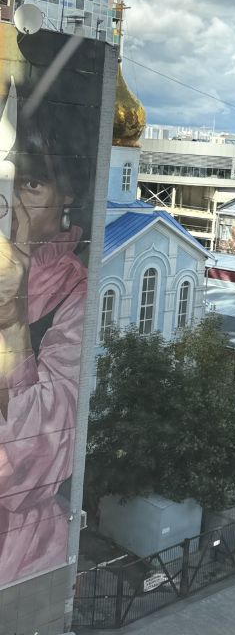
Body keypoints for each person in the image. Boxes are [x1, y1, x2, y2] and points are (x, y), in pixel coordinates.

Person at [0, 81, 94, 585]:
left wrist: (14, 319)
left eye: (31, 184)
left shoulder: (74, 294)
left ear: (67, 194)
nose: (10, 204)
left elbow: (33, 466)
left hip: (19, 558)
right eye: (6, 182)